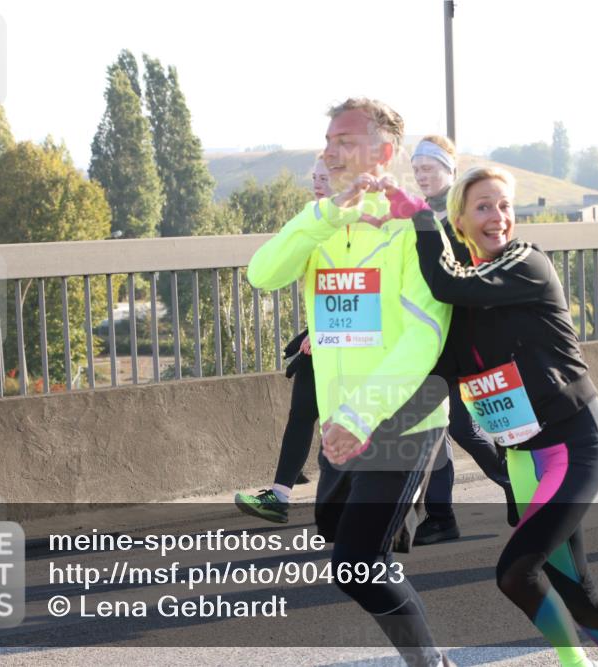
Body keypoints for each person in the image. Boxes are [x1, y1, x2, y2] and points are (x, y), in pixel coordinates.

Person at [409, 166, 598, 666]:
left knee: (516, 572)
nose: (498, 218)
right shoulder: (462, 297)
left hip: (575, 445)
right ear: (461, 219)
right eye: (483, 207)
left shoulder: (527, 263)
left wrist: (419, 220)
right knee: (573, 586)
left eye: (504, 205)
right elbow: (436, 366)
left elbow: (448, 283)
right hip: (521, 457)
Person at [247, 98, 454, 667]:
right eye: (328, 140)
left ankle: (431, 663)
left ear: (384, 154)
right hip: (343, 427)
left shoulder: (418, 228)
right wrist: (324, 217)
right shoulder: (323, 223)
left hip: (403, 417)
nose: (328, 150)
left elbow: (423, 339)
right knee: (348, 546)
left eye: (344, 141)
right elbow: (262, 273)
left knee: (355, 564)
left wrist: (361, 416)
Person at [410, 136, 516, 546]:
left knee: (459, 426)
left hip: (459, 336)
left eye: (429, 167)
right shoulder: (415, 213)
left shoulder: (460, 215)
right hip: (427, 339)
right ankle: (443, 514)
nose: (421, 173)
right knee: (443, 426)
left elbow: (463, 272)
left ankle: (506, 485)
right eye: (416, 167)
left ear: (450, 171)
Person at [234, 157, 332, 523]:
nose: (317, 183)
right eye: (314, 176)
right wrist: (314, 332)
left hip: (354, 346)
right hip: (321, 343)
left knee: (342, 424)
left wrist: (323, 333)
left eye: (325, 176)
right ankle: (279, 496)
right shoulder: (313, 221)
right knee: (302, 415)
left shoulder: (363, 227)